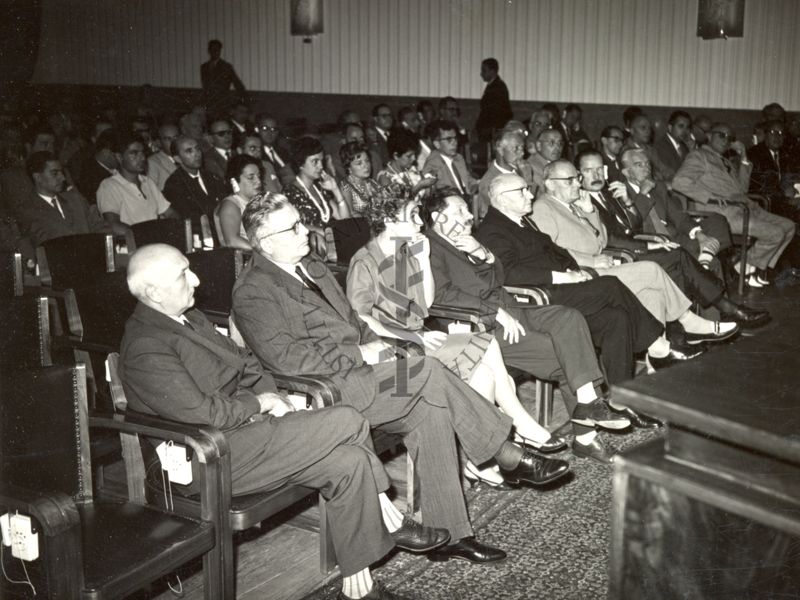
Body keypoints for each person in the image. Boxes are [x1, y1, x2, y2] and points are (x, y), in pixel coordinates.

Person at [231, 193, 571, 562]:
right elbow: (289, 362)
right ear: (265, 242)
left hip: (369, 378)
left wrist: (380, 344)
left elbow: (355, 321)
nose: (305, 231)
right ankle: (504, 451)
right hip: (330, 395)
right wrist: (360, 353)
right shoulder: (253, 291)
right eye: (293, 227)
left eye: (301, 221)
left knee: (431, 408)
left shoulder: (310, 265)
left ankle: (453, 534)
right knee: (427, 370)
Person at [119, 243, 449, 600]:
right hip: (210, 457)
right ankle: (388, 514)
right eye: (183, 273)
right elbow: (204, 414)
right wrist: (260, 401)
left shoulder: (189, 318)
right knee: (348, 420)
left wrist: (279, 399)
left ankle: (360, 591)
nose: (196, 280)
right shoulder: (145, 345)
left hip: (252, 435)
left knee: (349, 463)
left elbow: (247, 363)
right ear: (153, 292)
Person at [346, 185, 565, 477]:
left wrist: (422, 260)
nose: (420, 222)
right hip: (392, 359)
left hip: (417, 340)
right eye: (412, 215)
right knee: (484, 366)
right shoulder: (365, 261)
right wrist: (412, 336)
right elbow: (360, 318)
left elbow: (421, 309)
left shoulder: (404, 251)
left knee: (486, 361)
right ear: (388, 221)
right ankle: (502, 440)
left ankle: (485, 455)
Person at [422, 189, 634, 464]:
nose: (469, 215)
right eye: (460, 210)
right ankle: (585, 438)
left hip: (514, 308)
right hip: (480, 326)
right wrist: (494, 311)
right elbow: (440, 297)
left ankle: (587, 402)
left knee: (569, 317)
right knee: (563, 353)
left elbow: (499, 277)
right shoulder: (430, 247)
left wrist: (483, 253)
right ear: (438, 217)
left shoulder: (465, 239)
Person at [476, 173, 664, 413]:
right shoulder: (492, 230)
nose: (530, 194)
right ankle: (658, 345)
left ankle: (621, 398)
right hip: (538, 301)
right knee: (610, 285)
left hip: (560, 289)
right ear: (502, 198)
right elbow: (510, 274)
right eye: (522, 191)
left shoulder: (521, 221)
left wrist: (575, 270)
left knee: (617, 318)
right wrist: (563, 276)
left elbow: (555, 252)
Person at [531, 159, 738, 367]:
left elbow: (601, 241)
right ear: (549, 184)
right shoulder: (543, 209)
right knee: (651, 269)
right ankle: (689, 321)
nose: (577, 183)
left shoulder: (572, 206)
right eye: (569, 180)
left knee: (654, 295)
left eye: (576, 178)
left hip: (602, 266)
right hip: (581, 275)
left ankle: (655, 359)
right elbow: (552, 253)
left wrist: (590, 212)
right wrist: (592, 260)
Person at [578, 149, 767, 327]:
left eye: (647, 163)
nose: (646, 167)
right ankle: (723, 311)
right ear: (626, 171)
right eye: (639, 164)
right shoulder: (608, 193)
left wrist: (699, 234)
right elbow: (628, 230)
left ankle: (715, 307)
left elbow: (677, 217)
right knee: (695, 261)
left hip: (670, 238)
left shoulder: (623, 191)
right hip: (645, 243)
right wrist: (639, 197)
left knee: (717, 222)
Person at [672, 122, 796, 286]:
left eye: (729, 138)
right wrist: (709, 197)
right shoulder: (699, 156)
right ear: (709, 136)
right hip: (722, 212)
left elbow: (742, 189)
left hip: (745, 207)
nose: (726, 140)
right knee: (775, 233)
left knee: (789, 226)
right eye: (721, 135)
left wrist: (744, 156)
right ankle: (743, 269)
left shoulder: (726, 161)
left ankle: (748, 267)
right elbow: (679, 182)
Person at [19, 151, 115, 246]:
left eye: (62, 172)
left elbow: (101, 228)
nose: (63, 178)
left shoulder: (76, 199)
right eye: (55, 173)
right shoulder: (28, 211)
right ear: (37, 177)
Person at [97, 133, 176, 231]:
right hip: (133, 243)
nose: (142, 158)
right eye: (134, 153)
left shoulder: (147, 182)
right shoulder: (109, 186)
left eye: (142, 153)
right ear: (119, 157)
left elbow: (170, 213)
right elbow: (113, 225)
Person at [284, 136, 350, 232]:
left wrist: (335, 189)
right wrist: (323, 233)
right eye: (315, 161)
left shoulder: (319, 187)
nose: (321, 166)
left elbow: (345, 220)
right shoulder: (290, 192)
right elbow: (293, 226)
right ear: (300, 164)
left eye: (321, 160)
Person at [163, 135, 227, 234]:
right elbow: (188, 220)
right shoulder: (174, 185)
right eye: (189, 151)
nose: (197, 154)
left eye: (197, 149)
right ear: (177, 158)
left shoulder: (211, 176)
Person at [422, 119, 478, 198]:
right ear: (437, 144)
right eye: (449, 139)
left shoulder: (458, 158)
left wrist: (476, 186)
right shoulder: (433, 163)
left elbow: (469, 180)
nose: (454, 142)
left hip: (468, 199)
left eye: (455, 138)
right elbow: (433, 193)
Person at [217, 154, 263, 249]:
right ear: (234, 181)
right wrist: (265, 253)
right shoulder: (230, 205)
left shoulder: (259, 200)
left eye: (259, 176)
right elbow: (232, 240)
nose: (258, 181)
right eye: (251, 177)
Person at [376, 129, 437, 199]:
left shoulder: (411, 169)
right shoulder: (385, 178)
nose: (414, 158)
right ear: (396, 155)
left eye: (415, 154)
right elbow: (398, 204)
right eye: (409, 156)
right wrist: (419, 186)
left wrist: (429, 187)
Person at [200, 39, 245, 113]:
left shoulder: (226, 67)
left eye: (217, 50)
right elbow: (205, 85)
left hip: (222, 103)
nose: (215, 52)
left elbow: (238, 84)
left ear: (220, 51)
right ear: (209, 51)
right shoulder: (203, 67)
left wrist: (242, 99)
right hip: (208, 103)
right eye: (213, 49)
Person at [475, 58, 512, 145]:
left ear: (492, 71)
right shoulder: (493, 86)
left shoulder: (498, 87)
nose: (481, 74)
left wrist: (488, 129)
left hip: (492, 130)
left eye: (484, 71)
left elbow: (495, 111)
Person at [339, 141, 380, 216]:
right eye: (359, 163)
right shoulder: (346, 187)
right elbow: (349, 216)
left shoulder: (372, 183)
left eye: (367, 161)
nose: (366, 166)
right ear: (349, 168)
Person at [147, 123, 179, 190]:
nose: (173, 142)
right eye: (168, 139)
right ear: (159, 142)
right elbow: (152, 191)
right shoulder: (153, 162)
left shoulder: (188, 157)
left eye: (176, 137)